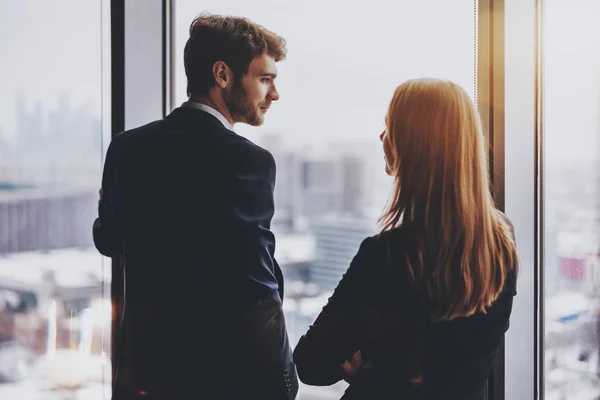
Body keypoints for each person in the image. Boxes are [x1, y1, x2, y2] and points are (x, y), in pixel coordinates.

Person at [93, 13, 298, 400]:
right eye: (265, 78)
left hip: (142, 380)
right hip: (220, 381)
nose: (274, 94)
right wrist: (285, 380)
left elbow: (110, 239)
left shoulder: (126, 147)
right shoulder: (247, 161)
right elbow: (256, 288)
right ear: (223, 74)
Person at [292, 78, 519, 400]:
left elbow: (310, 363)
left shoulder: (385, 256)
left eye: (390, 127)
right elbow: (459, 364)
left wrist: (371, 367)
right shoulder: (501, 240)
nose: (381, 137)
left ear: (412, 146)